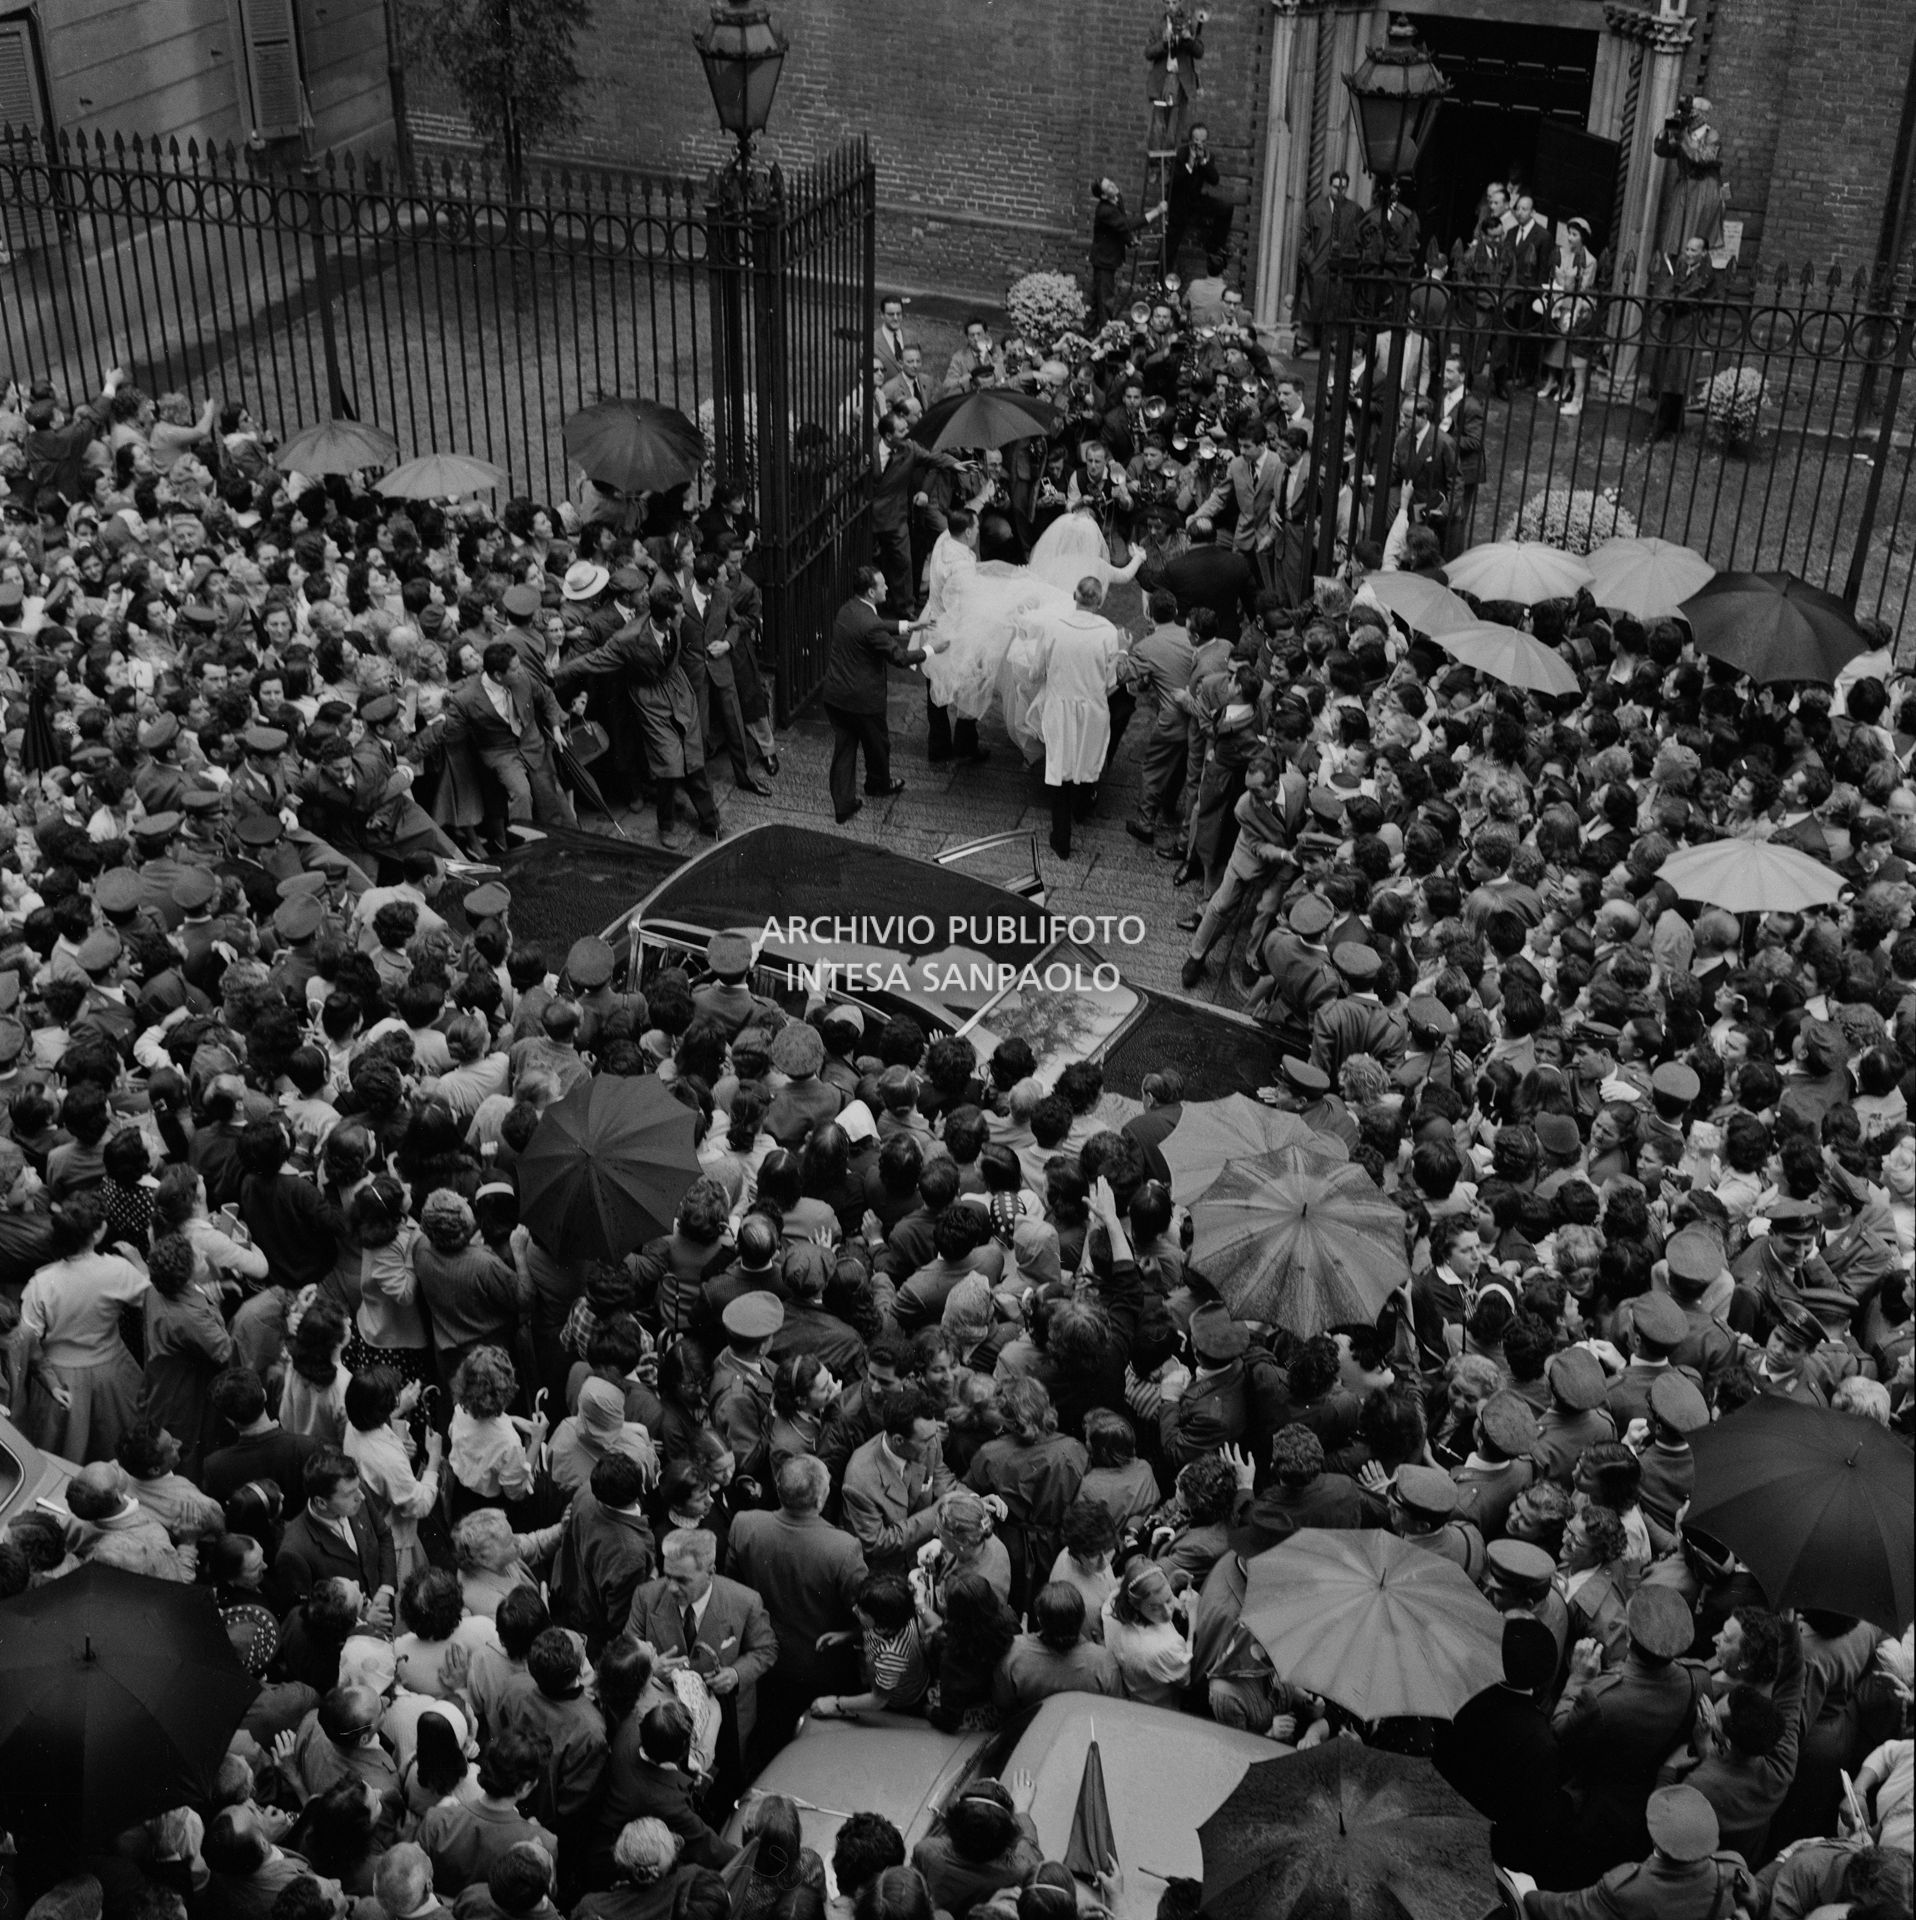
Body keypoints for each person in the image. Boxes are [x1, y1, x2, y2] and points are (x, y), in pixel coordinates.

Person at [820, 566, 941, 826]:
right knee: (878, 745)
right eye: (883, 585)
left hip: (836, 697)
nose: (887, 587)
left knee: (844, 749)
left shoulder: (848, 609)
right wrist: (932, 649)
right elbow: (899, 657)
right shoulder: (871, 624)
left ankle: (843, 805)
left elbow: (875, 625)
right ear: (871, 592)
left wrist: (910, 625)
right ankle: (878, 784)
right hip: (863, 701)